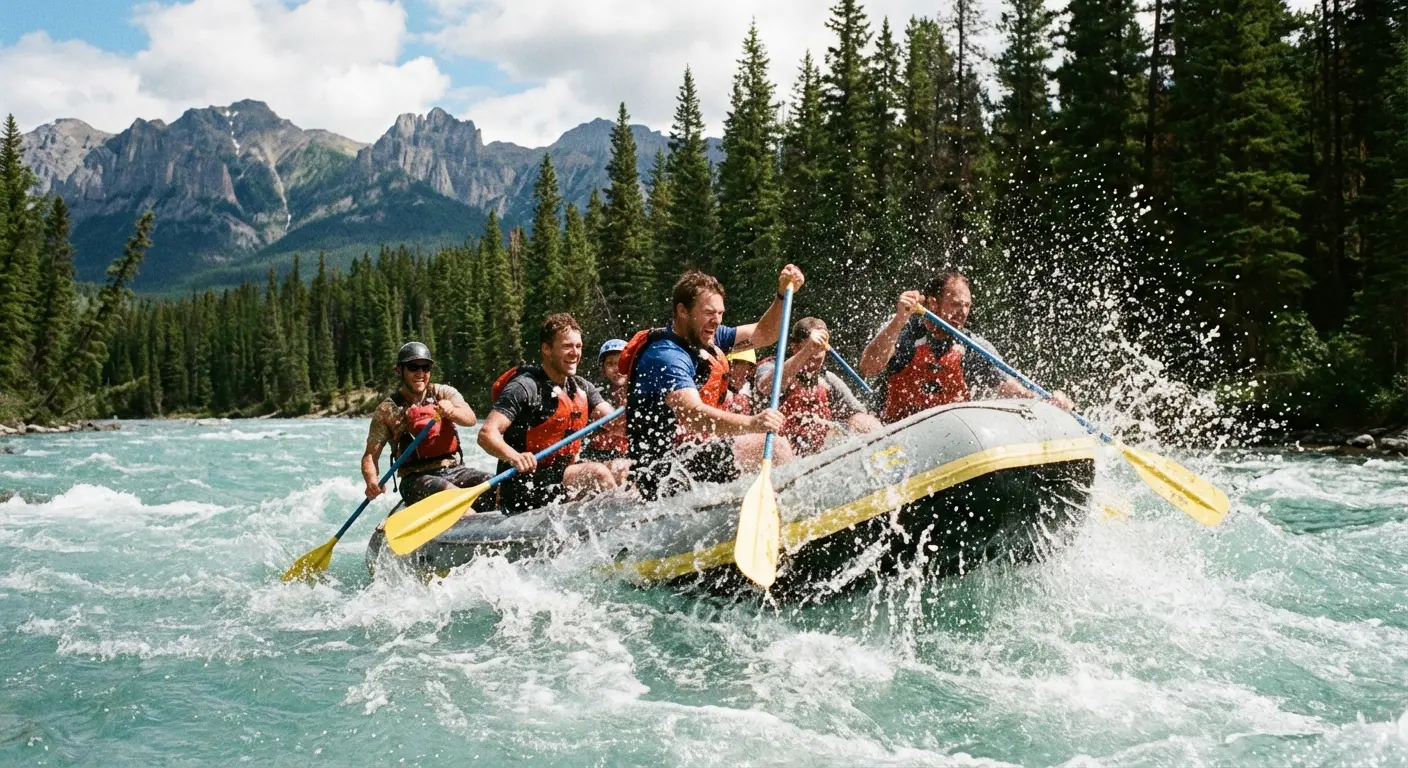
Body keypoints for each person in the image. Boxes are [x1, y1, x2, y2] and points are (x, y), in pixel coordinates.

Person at [620, 266, 804, 500]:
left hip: (689, 455)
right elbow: (694, 415)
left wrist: (780, 296)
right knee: (775, 446)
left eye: (720, 313)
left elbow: (764, 334)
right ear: (682, 311)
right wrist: (752, 423)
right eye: (708, 312)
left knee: (755, 448)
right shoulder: (665, 356)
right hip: (663, 472)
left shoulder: (707, 337)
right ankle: (795, 509)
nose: (716, 321)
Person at [858, 271, 1074, 424]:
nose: (962, 312)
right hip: (893, 427)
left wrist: (1046, 402)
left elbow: (1009, 387)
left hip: (947, 434)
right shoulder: (904, 333)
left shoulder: (973, 347)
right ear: (933, 304)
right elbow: (868, 367)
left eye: (967, 305)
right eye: (955, 304)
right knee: (864, 422)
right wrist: (899, 319)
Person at [478, 313, 619, 512]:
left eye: (578, 346)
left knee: (620, 468)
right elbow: (486, 434)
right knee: (597, 473)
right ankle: (619, 525)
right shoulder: (524, 387)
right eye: (567, 346)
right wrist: (515, 457)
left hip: (559, 479)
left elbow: (613, 421)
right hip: (523, 487)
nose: (574, 353)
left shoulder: (581, 387)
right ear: (547, 349)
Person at [362, 342, 489, 507]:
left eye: (426, 367)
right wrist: (372, 480)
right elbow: (371, 455)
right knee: (451, 494)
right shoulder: (386, 410)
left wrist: (452, 412)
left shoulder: (443, 393)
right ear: (399, 370)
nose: (420, 373)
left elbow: (470, 419)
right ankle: (471, 521)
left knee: (493, 483)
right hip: (414, 479)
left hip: (453, 470)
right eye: (413, 367)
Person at [754, 317, 882, 456]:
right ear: (795, 347)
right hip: (775, 451)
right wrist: (807, 350)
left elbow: (859, 415)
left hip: (814, 454)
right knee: (780, 447)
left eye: (820, 347)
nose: (816, 353)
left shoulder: (828, 380)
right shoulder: (772, 367)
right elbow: (766, 387)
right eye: (811, 346)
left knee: (865, 422)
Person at [723, 349, 757, 415]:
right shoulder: (716, 386)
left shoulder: (748, 393)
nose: (746, 373)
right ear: (729, 366)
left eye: (750, 369)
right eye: (741, 367)